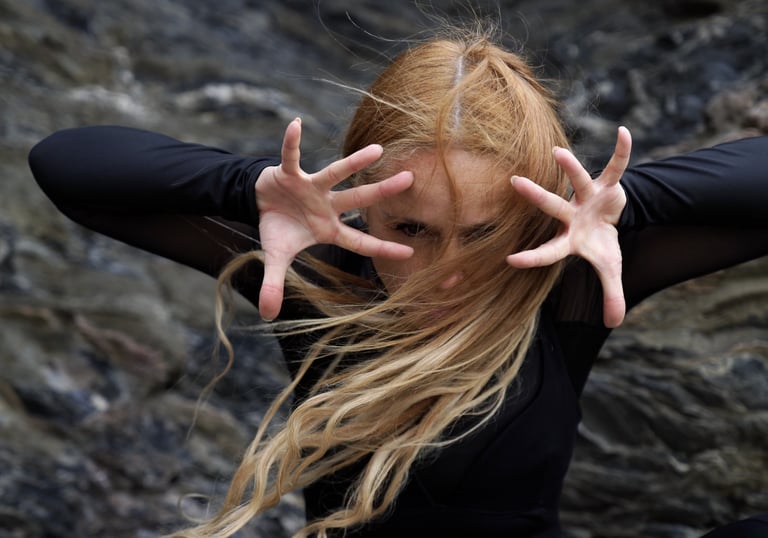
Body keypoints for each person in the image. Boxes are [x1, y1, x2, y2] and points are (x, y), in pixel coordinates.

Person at [28, 28, 768, 538]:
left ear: (529, 214)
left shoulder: (563, 279)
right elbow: (66, 165)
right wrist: (246, 185)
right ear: (360, 197)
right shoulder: (318, 271)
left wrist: (635, 201)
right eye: (411, 228)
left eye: (481, 233)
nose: (446, 271)